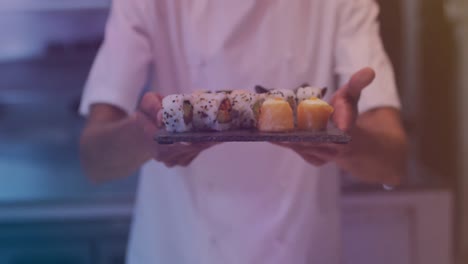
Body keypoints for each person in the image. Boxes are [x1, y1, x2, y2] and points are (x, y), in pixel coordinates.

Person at [79, 0, 408, 263]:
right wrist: (143, 134)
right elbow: (94, 159)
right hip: (181, 250)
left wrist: (344, 140)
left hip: (298, 252)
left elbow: (392, 163)